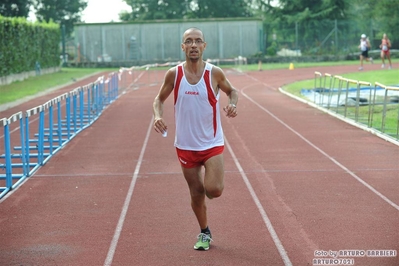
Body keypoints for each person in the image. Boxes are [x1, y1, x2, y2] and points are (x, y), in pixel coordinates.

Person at [152, 27, 238, 251]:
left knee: (215, 190)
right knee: (196, 192)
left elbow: (233, 91)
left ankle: (210, 187)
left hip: (211, 144)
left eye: (197, 41)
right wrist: (157, 116)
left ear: (204, 46)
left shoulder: (214, 73)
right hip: (185, 146)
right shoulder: (174, 74)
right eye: (188, 41)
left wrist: (233, 105)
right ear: (182, 47)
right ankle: (204, 232)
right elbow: (158, 99)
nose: (193, 45)